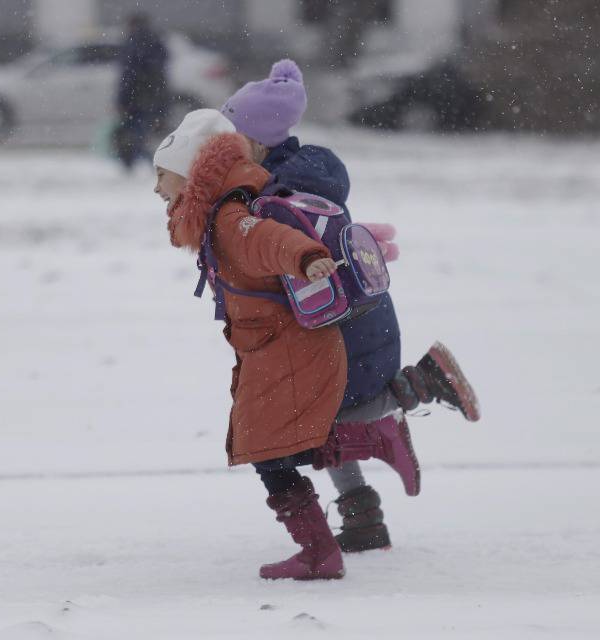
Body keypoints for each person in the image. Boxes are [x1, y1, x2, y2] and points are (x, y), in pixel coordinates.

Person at [220, 60, 480, 553]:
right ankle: (363, 518)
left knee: (335, 410)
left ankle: (423, 382)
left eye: (232, 135)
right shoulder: (301, 177)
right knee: (324, 417)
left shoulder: (281, 194)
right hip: (348, 314)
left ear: (255, 140)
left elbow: (282, 257)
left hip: (343, 324)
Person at [153, 109, 423, 580]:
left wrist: (307, 257)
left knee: (265, 448)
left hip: (289, 350)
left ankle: (321, 547)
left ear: (191, 173)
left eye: (162, 175)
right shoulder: (222, 213)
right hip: (274, 348)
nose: (156, 188)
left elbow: (268, 240)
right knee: (278, 446)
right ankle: (365, 450)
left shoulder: (230, 218)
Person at [114, 12, 168, 171]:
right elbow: (162, 71)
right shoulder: (157, 41)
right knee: (143, 131)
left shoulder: (132, 43)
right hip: (154, 95)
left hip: (135, 97)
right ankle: (150, 161)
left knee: (134, 133)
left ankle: (145, 162)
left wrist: (121, 100)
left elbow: (128, 74)